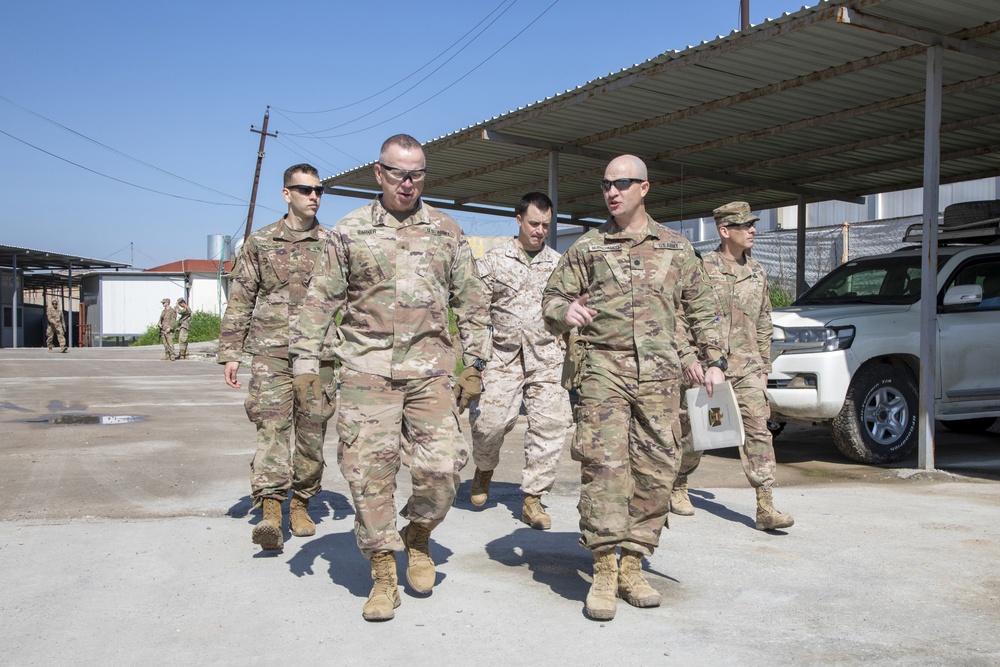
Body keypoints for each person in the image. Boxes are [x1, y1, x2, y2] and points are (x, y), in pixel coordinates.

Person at [289, 134, 490, 622]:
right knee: (367, 476)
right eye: (398, 172)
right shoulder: (349, 231)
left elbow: (472, 300)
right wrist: (304, 363)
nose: (408, 182)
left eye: (417, 173)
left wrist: (476, 366)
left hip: (430, 373)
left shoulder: (446, 229)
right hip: (366, 372)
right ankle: (383, 572)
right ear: (378, 173)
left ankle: (418, 534)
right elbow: (320, 299)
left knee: (444, 469)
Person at [541, 154, 725, 622]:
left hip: (662, 377)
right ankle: (603, 567)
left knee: (656, 469)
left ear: (645, 188)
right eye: (606, 184)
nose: (612, 191)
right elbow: (552, 297)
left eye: (622, 183)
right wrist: (565, 312)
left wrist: (715, 361)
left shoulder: (676, 249)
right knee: (604, 468)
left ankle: (633, 563)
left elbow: (703, 308)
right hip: (603, 373)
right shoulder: (588, 247)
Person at [218, 163, 336, 552]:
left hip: (319, 355)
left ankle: (301, 504)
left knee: (312, 431)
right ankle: (271, 509)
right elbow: (241, 299)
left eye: (319, 190)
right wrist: (231, 352)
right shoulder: (260, 242)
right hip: (271, 352)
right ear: (287, 194)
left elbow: (348, 301)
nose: (314, 196)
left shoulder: (334, 244)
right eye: (305, 190)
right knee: (271, 428)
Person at [670, 201, 794, 532]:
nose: (753, 230)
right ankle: (679, 481)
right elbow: (680, 318)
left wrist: (764, 363)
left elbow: (764, 318)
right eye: (745, 226)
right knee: (694, 432)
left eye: (753, 225)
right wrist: (689, 358)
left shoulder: (758, 272)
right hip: (705, 369)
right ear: (725, 231)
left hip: (747, 367)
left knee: (758, 429)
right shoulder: (700, 270)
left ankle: (765, 504)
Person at [468, 192, 570, 530]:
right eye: (534, 224)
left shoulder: (558, 264)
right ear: (519, 221)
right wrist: (474, 361)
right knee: (489, 424)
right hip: (503, 356)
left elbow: (568, 312)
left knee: (550, 427)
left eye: (545, 225)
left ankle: (533, 499)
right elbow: (475, 313)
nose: (540, 230)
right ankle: (484, 469)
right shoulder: (494, 261)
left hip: (547, 357)